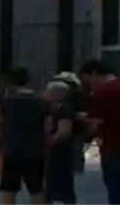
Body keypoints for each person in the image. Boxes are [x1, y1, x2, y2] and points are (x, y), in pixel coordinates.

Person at [77, 59, 120, 205]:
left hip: (113, 145)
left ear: (94, 73)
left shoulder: (102, 92)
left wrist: (81, 119)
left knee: (117, 189)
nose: (90, 84)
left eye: (88, 80)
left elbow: (97, 119)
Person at [0, 67, 50, 203]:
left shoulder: (5, 102)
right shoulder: (41, 102)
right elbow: (47, 128)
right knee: (36, 189)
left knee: (8, 189)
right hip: (36, 150)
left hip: (12, 150)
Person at [43, 74, 85, 205]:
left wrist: (50, 141)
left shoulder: (65, 108)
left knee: (62, 185)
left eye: (48, 92)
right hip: (57, 152)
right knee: (50, 186)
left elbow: (64, 131)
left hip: (62, 152)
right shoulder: (55, 108)